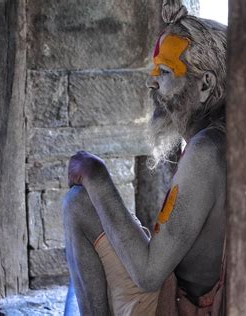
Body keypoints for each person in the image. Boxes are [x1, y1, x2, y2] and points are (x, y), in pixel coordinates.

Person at [63, 0, 227, 314]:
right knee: (82, 203)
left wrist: (97, 177)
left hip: (178, 306)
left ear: (205, 85)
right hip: (174, 291)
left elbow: (149, 274)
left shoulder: (206, 152)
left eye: (164, 72)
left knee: (77, 203)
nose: (152, 81)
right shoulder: (215, 139)